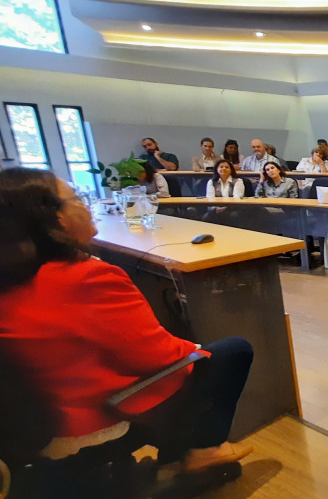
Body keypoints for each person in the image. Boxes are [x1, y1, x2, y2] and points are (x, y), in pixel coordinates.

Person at [0, 168, 254, 476]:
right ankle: (201, 451)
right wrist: (196, 349)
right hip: (94, 415)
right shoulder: (86, 277)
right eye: (78, 198)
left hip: (30, 423)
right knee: (232, 352)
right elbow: (157, 357)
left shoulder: (14, 277)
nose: (87, 204)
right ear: (57, 219)